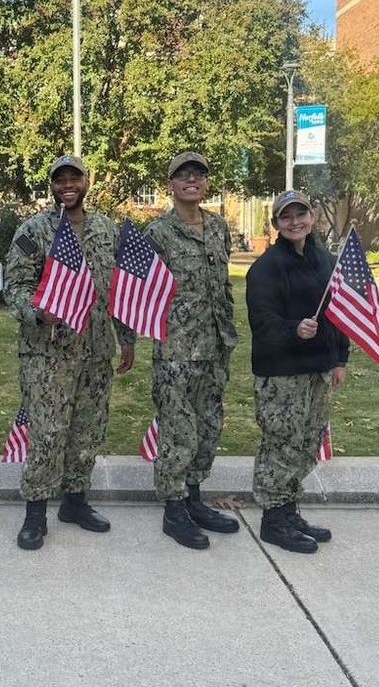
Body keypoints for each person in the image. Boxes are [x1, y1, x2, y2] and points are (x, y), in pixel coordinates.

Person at [4, 154, 135, 551]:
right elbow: (15, 287)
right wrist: (36, 312)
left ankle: (75, 502)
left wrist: (125, 337)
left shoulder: (105, 229)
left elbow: (119, 289)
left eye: (74, 178)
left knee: (87, 430)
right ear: (51, 186)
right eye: (59, 179)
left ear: (86, 181)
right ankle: (36, 512)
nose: (67, 185)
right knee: (47, 433)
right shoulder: (34, 230)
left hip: (96, 351)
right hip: (48, 354)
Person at [144, 152, 239, 550]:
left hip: (215, 347)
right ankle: (174, 508)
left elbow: (223, 285)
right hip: (176, 351)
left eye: (198, 174)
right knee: (178, 432)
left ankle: (194, 497)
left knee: (207, 428)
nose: (191, 180)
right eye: (182, 175)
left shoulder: (218, 227)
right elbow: (141, 293)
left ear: (205, 183)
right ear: (170, 185)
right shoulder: (158, 233)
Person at [245, 191, 347, 554]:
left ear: (313, 215)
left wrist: (339, 360)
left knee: (306, 445)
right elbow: (262, 322)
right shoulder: (266, 268)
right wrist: (294, 329)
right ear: (276, 225)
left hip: (318, 370)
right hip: (282, 374)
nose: (294, 222)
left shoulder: (326, 261)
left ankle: (289, 511)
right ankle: (273, 519)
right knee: (282, 444)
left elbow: (340, 315)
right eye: (285, 217)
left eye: (300, 214)